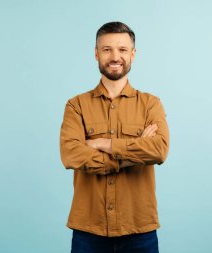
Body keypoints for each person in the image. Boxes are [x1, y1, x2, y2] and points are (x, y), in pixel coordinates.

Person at [59, 21, 170, 253]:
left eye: (122, 49)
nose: (115, 56)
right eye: (107, 49)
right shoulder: (76, 105)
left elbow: (159, 150)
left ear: (133, 54)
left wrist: (102, 144)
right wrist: (133, 154)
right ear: (96, 53)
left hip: (139, 229)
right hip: (88, 229)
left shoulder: (151, 104)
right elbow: (71, 155)